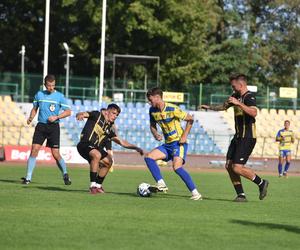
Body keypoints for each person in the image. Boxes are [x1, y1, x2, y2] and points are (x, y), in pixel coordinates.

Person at [200, 73, 269, 202]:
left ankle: (261, 183)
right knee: (228, 165)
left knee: (237, 167)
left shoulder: (249, 97)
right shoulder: (235, 96)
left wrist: (239, 104)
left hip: (247, 137)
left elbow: (254, 112)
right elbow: (223, 107)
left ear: (241, 84)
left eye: (234, 86)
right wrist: (209, 108)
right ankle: (241, 195)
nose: (232, 89)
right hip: (237, 137)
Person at [144, 87, 202, 201]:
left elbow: (190, 119)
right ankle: (161, 184)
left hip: (178, 143)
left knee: (177, 167)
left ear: (157, 97)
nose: (149, 102)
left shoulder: (172, 108)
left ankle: (196, 193)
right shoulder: (152, 110)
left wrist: (184, 136)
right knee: (149, 157)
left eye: (150, 100)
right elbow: (152, 125)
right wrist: (155, 134)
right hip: (167, 145)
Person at [76, 103, 143, 194]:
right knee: (97, 154)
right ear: (107, 111)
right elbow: (84, 114)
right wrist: (80, 115)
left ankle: (98, 186)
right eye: (113, 113)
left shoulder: (108, 128)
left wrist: (135, 147)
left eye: (117, 115)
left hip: (95, 147)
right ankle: (93, 186)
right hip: (84, 144)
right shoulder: (97, 115)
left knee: (109, 161)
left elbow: (121, 142)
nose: (115, 116)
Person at [21, 74, 72, 185]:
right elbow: (35, 109)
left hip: (54, 127)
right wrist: (30, 117)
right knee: (34, 149)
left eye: (53, 85)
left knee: (55, 154)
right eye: (49, 86)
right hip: (41, 126)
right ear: (45, 85)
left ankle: (65, 174)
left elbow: (68, 112)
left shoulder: (59, 96)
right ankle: (28, 178)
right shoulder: (39, 95)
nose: (51, 88)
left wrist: (57, 117)